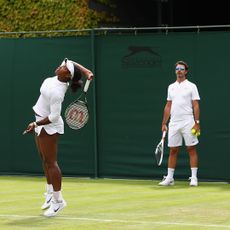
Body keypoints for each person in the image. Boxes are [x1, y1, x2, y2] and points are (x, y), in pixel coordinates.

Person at [24, 58, 94, 217]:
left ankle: (58, 201)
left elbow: (54, 117)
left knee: (51, 162)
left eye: (64, 67)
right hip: (39, 120)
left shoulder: (57, 93)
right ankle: (49, 193)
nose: (61, 65)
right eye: (63, 65)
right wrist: (86, 71)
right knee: (44, 159)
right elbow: (73, 63)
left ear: (67, 76)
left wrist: (35, 125)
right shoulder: (55, 78)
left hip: (49, 125)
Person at [159, 60, 200, 187]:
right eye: (177, 68)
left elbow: (196, 105)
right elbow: (168, 105)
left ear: (186, 71)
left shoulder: (192, 86)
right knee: (173, 150)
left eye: (181, 68)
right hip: (174, 123)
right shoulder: (171, 87)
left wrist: (197, 122)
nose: (179, 71)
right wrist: (164, 123)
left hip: (188, 121)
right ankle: (170, 178)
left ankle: (194, 178)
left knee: (191, 149)